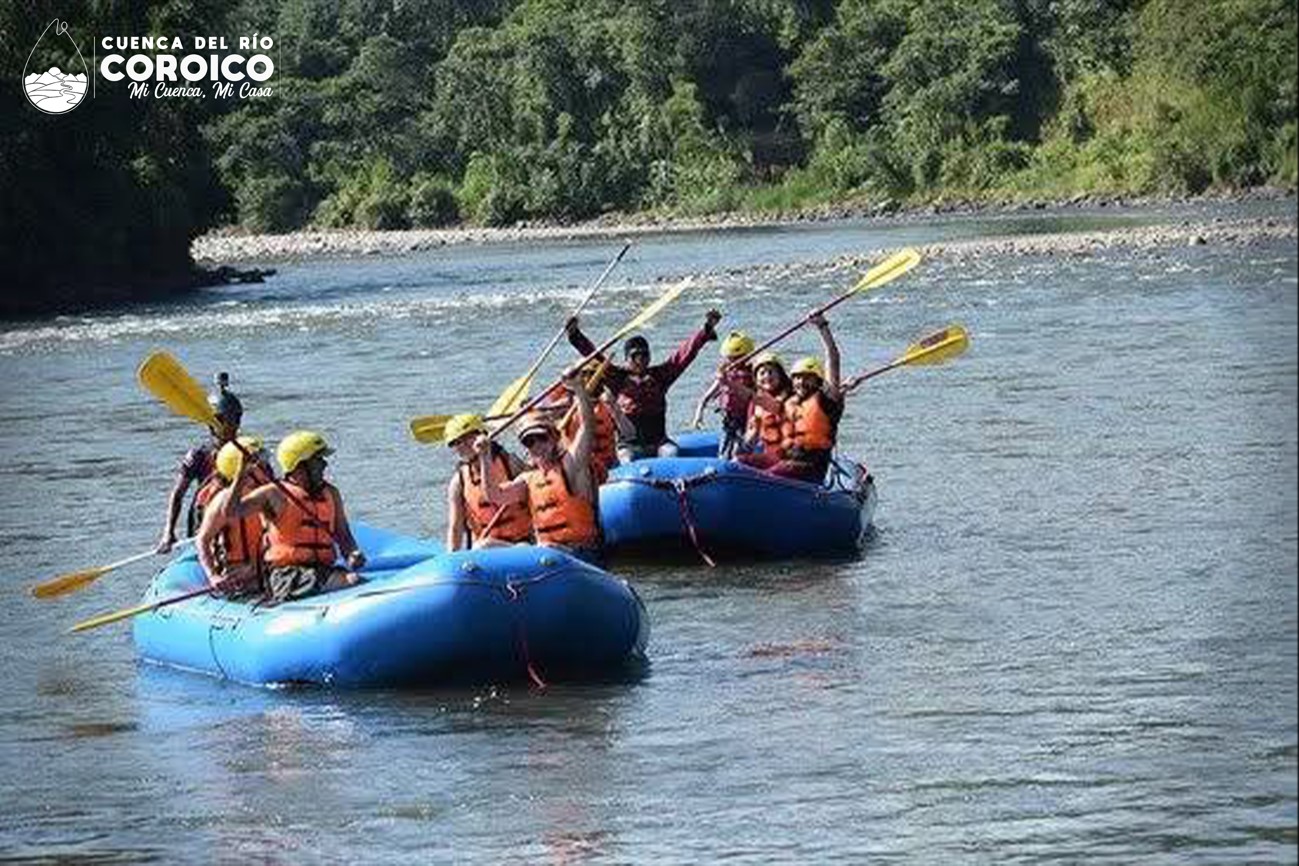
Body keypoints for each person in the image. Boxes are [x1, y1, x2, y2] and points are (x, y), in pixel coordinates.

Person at [226, 430, 366, 603]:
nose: (324, 465)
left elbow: (343, 534)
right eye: (317, 460)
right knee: (353, 581)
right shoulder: (274, 494)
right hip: (287, 575)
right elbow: (231, 511)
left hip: (323, 569)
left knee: (359, 582)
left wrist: (351, 553)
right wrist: (240, 474)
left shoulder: (331, 493)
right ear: (300, 466)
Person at [565, 309, 722, 462]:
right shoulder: (617, 377)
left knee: (671, 453)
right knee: (627, 458)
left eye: (644, 355)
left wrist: (706, 330)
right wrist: (575, 335)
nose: (641, 360)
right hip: (629, 445)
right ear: (627, 359)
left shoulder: (660, 376)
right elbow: (594, 355)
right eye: (635, 356)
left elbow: (683, 355)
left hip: (659, 442)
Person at [479, 372, 602, 561]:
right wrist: (484, 456)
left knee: (544, 547)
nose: (536, 446)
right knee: (485, 545)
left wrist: (578, 389)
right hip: (545, 555)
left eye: (541, 439)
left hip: (581, 554)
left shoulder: (570, 464)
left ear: (553, 438)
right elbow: (494, 495)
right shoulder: (528, 480)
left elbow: (587, 427)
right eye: (529, 442)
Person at [741, 314, 843, 483]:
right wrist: (729, 383)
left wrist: (822, 327)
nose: (800, 382)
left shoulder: (828, 399)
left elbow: (833, 359)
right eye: (797, 377)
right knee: (740, 463)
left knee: (767, 477)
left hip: (809, 468)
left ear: (817, 380)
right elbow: (760, 400)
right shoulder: (791, 402)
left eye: (806, 377)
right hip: (787, 463)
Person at [156, 372, 242, 553]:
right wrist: (168, 533)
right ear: (213, 422)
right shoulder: (199, 456)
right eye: (228, 420)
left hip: (240, 524)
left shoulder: (248, 453)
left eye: (236, 419)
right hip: (205, 526)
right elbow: (178, 494)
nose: (234, 426)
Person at [195, 436, 273, 597]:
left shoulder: (267, 492)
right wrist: (213, 576)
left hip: (264, 568)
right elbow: (202, 540)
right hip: (238, 573)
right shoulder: (223, 500)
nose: (264, 466)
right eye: (257, 462)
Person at [443, 413, 532, 551]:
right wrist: (451, 558)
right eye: (456, 442)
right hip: (484, 552)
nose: (462, 445)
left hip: (523, 544)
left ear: (482, 435)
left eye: (467, 438)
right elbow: (456, 526)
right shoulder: (458, 481)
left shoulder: (509, 462)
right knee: (482, 545)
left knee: (485, 546)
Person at [691, 331, 757, 459]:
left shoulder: (753, 374)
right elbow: (705, 398)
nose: (732, 361)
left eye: (736, 358)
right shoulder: (724, 374)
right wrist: (698, 416)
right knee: (723, 451)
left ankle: (741, 465)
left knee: (738, 452)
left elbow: (758, 396)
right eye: (729, 358)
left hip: (746, 419)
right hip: (728, 419)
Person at [738, 351, 793, 460]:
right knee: (739, 458)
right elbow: (751, 435)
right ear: (756, 379)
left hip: (787, 454)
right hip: (768, 450)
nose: (767, 376)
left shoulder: (788, 397)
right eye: (762, 373)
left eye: (771, 372)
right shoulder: (755, 403)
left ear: (780, 375)